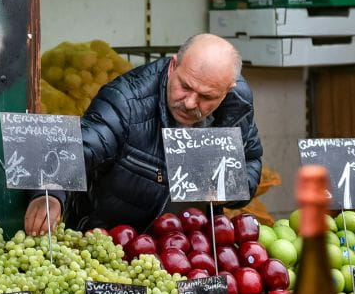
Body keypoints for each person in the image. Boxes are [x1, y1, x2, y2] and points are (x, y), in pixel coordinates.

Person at [24, 34, 264, 234]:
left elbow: (250, 159)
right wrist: (51, 193)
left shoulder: (237, 102)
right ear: (173, 66)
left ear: (227, 90)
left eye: (207, 97)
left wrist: (228, 191)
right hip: (119, 239)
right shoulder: (127, 100)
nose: (190, 103)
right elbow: (81, 146)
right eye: (185, 86)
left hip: (191, 246)